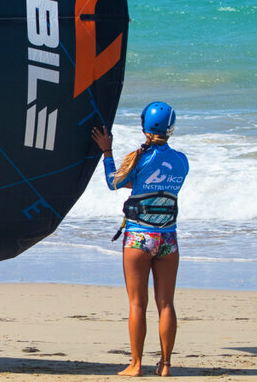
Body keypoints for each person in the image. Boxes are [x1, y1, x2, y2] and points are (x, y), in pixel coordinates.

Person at [91, 102, 189, 377]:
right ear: (171, 128)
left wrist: (107, 151)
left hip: (138, 239)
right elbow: (160, 185)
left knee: (137, 304)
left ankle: (135, 365)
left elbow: (114, 182)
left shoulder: (137, 157)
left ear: (144, 126)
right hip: (169, 239)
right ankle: (166, 364)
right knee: (166, 304)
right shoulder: (182, 160)